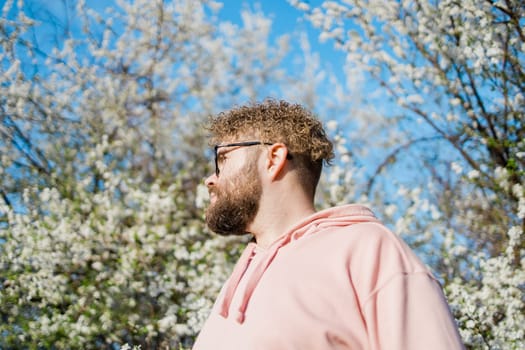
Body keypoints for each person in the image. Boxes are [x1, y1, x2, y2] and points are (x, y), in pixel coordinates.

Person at [192, 99, 464, 350]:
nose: (210, 179)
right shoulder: (234, 287)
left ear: (273, 159)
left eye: (223, 159)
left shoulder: (369, 250)